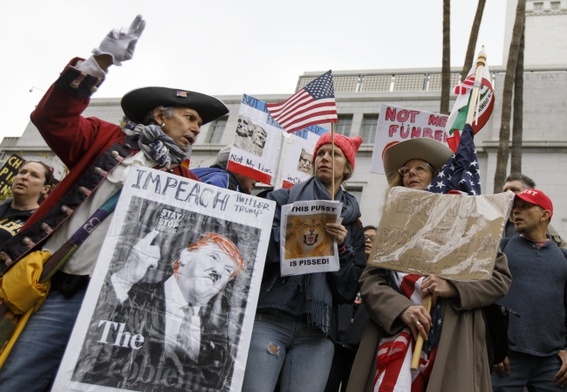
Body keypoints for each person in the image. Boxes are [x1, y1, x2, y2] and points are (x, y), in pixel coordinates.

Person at [0, 15, 229, 391]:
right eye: (189, 118)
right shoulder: (106, 141)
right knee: (18, 380)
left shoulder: (186, 182)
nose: (195, 129)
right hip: (61, 289)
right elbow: (51, 118)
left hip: (120, 308)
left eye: (199, 125)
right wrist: (99, 62)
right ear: (159, 115)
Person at [347, 135, 512, 392]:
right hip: (395, 334)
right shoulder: (393, 227)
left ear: (437, 176)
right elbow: (371, 280)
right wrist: (401, 308)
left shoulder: (470, 221)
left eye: (419, 168)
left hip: (454, 339)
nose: (410, 174)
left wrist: (454, 287)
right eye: (405, 171)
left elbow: (499, 278)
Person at [241, 132, 367, 392]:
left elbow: (348, 290)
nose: (325, 158)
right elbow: (260, 251)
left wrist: (341, 248)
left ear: (348, 168)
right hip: (271, 318)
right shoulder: (281, 200)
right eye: (321, 153)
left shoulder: (353, 223)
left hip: (319, 332)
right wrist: (303, 233)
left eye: (335, 154)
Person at [76, 232, 244, 391]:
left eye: (228, 270)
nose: (219, 271)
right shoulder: (133, 295)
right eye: (213, 257)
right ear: (186, 256)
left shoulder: (218, 340)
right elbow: (91, 343)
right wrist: (124, 279)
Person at [491, 188, 567, 391]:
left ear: (545, 215)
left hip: (552, 364)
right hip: (506, 361)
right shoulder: (501, 249)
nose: (516, 211)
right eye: (515, 208)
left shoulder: (563, 258)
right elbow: (485, 300)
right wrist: (493, 347)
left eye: (525, 207)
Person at [325, 225, 376, 392]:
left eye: (373, 239)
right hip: (334, 343)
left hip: (359, 349)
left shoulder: (380, 278)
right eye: (365, 237)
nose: (368, 241)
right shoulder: (348, 269)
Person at [502, 173, 566, 247]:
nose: (507, 193)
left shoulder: (546, 229)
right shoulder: (495, 224)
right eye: (505, 191)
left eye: (514, 190)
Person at [0, 161, 53, 245]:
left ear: (45, 189)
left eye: (34, 175)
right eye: (22, 172)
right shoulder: (2, 206)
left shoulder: (37, 224)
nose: (25, 177)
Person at [192, 145, 257, 194]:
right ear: (238, 167)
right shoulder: (223, 182)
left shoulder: (194, 172)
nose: (257, 180)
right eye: (254, 172)